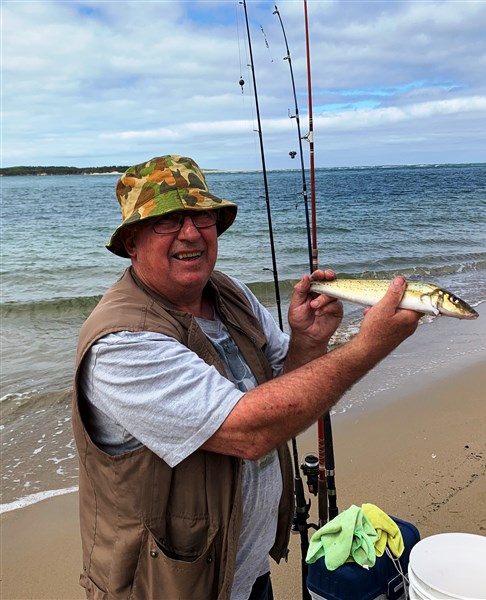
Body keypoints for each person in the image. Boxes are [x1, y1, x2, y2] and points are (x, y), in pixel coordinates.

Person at [72, 154, 421, 600]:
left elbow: (283, 393)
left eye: (202, 215)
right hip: (172, 588)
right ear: (132, 242)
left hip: (246, 571)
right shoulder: (121, 343)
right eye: (168, 220)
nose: (191, 232)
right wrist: (370, 345)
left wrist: (307, 343)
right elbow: (249, 432)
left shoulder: (229, 292)